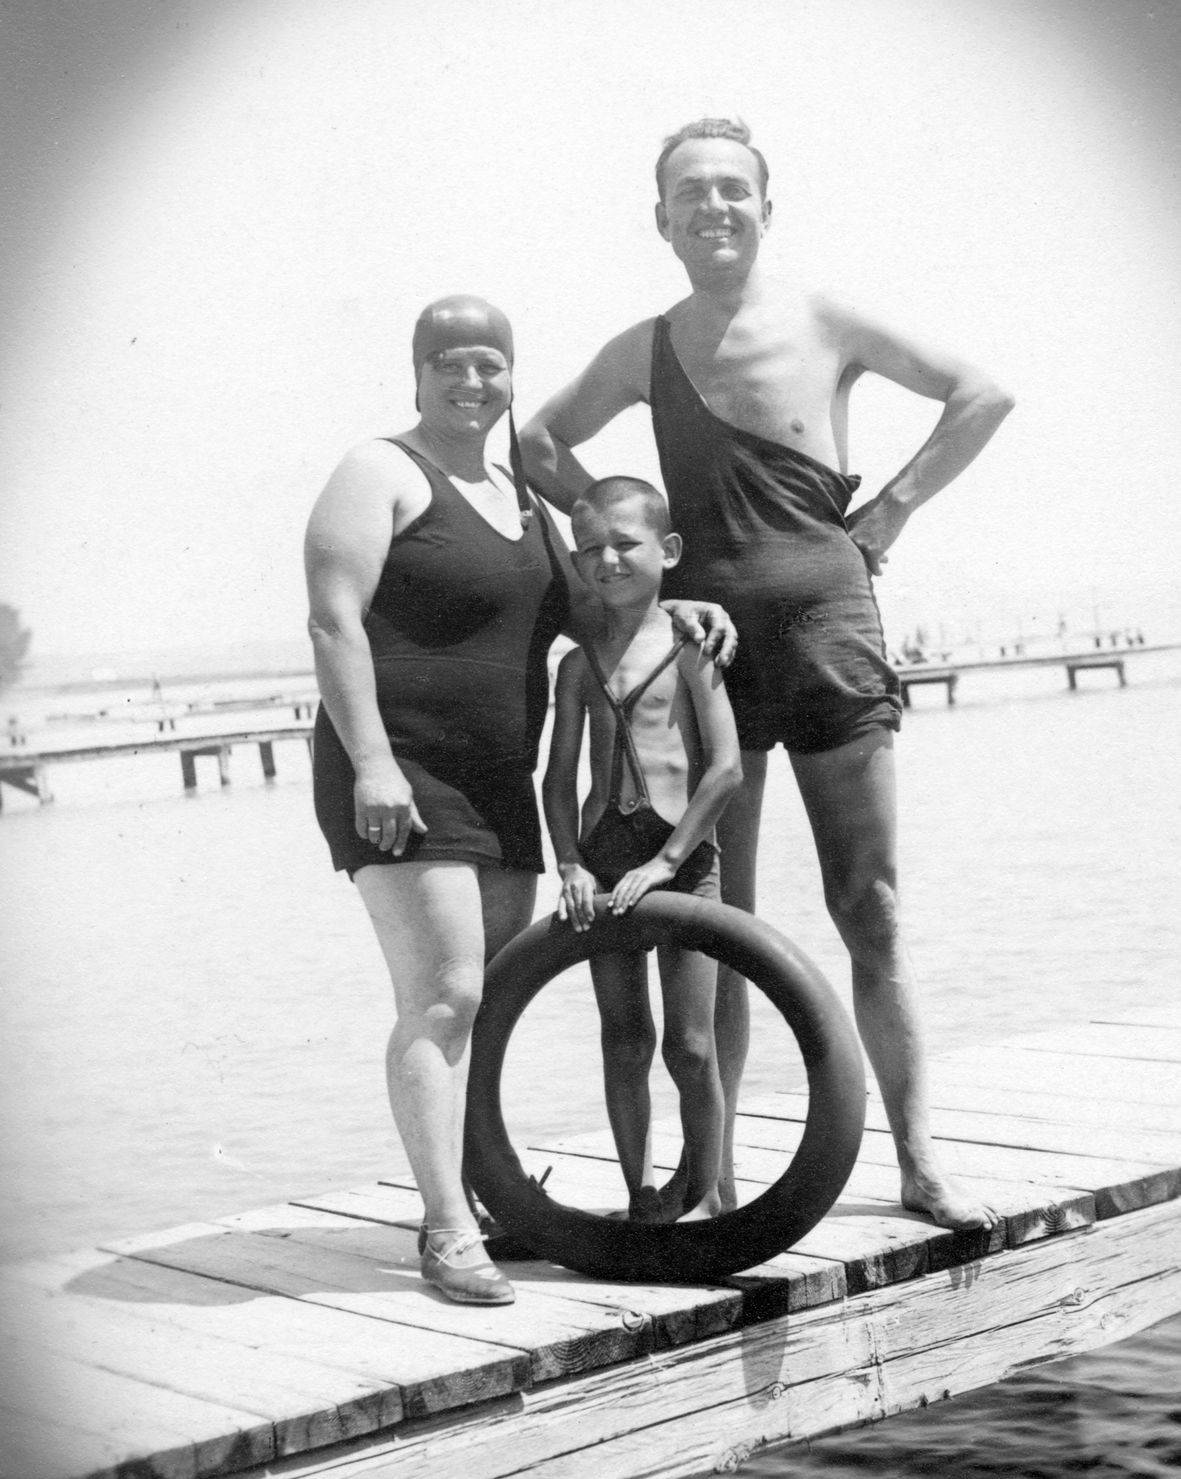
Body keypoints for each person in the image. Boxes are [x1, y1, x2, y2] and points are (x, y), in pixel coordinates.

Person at [522, 119, 1015, 1232]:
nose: (713, 207)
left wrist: (888, 508)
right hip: (710, 660)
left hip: (832, 632)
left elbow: (978, 392)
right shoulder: (644, 348)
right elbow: (539, 445)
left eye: (732, 189)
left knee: (870, 907)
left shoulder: (826, 317)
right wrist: (632, 546)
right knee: (720, 921)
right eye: (689, 193)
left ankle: (920, 1160)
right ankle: (720, 1176)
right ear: (661, 219)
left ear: (764, 205)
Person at [305, 295, 734, 1305]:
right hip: (402, 769)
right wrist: (371, 762)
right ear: (416, 373)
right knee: (446, 994)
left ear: (510, 376)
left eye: (490, 364)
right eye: (449, 363)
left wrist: (684, 605)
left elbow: (600, 603)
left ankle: (477, 1193)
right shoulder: (379, 470)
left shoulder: (519, 497)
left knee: (482, 999)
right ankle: (451, 1229)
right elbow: (332, 621)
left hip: (501, 777)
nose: (472, 381)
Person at [543, 477, 742, 1224]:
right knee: (624, 1037)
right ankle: (640, 1198)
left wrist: (665, 863)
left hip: (681, 856)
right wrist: (568, 861)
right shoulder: (576, 666)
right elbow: (558, 779)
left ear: (668, 550)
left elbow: (725, 769)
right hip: (603, 853)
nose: (608, 560)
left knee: (690, 1046)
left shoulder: (693, 647)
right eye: (590, 548)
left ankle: (711, 1197)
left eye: (625, 544)